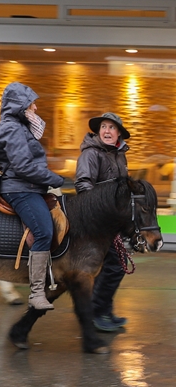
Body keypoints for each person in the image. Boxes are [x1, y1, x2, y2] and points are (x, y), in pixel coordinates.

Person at [0, 82, 64, 310]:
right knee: (44, 231)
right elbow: (23, 166)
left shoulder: (19, 126)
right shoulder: (12, 128)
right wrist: (54, 178)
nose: (35, 108)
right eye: (31, 103)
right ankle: (36, 294)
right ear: (19, 105)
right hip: (20, 188)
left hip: (30, 186)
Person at [74, 112, 130, 331]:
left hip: (111, 220)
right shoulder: (91, 154)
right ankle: (97, 313)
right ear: (98, 131)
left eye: (112, 127)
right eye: (104, 127)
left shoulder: (118, 154)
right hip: (96, 221)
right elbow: (83, 185)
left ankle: (104, 311)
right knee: (115, 266)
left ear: (118, 133)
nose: (107, 131)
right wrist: (101, 213)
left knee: (115, 266)